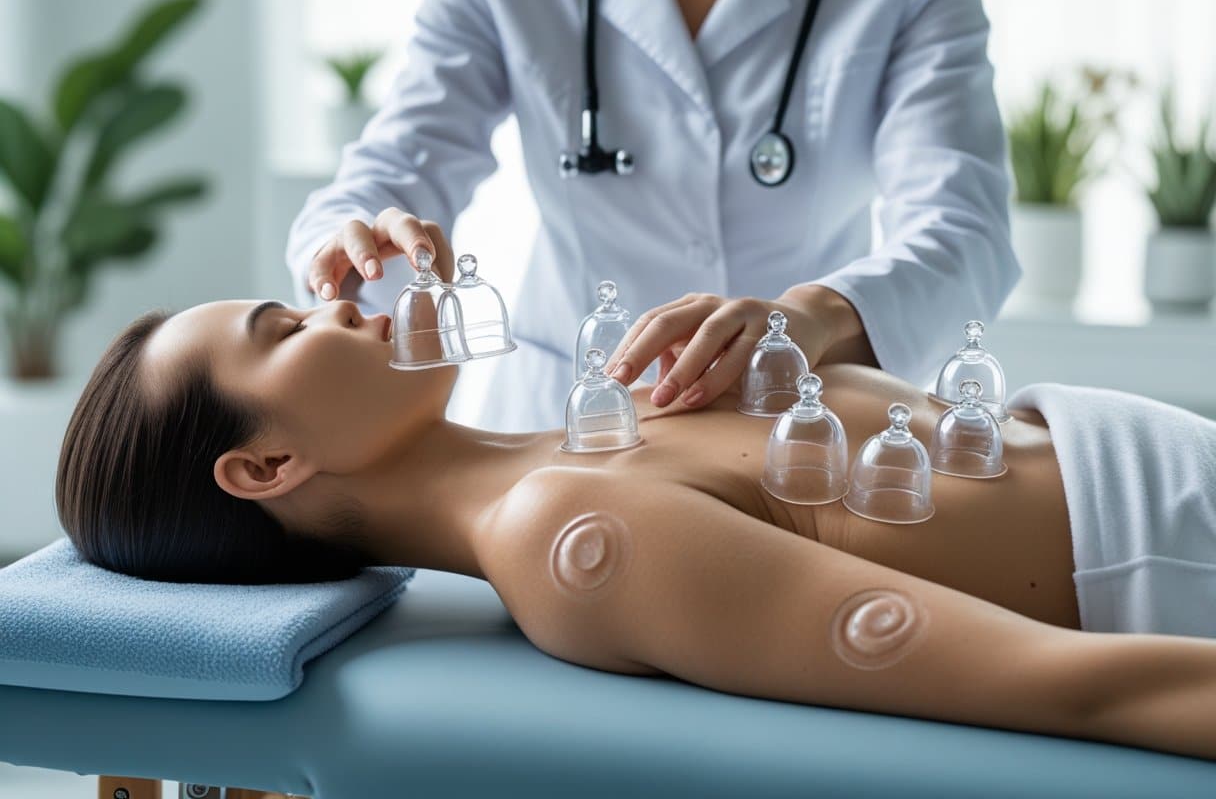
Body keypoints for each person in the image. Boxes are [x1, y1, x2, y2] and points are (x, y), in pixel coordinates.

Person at [55, 289, 1216, 762]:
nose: (343, 299)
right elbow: (1054, 684)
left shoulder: (570, 442)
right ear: (266, 464)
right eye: (285, 321)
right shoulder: (568, 527)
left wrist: (807, 323)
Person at [287, 0, 1019, 432]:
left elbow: (964, 228)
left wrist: (813, 316)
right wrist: (345, 236)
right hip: (563, 418)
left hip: (797, 413)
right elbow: (396, 163)